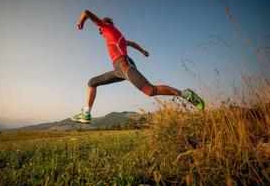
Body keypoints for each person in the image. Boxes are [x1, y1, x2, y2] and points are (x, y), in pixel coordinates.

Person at [71, 10, 204, 124]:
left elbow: (86, 12)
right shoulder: (118, 36)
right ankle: (86, 114)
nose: (99, 31)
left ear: (105, 23)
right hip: (119, 69)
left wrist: (81, 21)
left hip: (123, 65)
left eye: (100, 28)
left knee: (150, 91)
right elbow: (132, 43)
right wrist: (143, 51)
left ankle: (187, 94)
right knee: (92, 82)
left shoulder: (107, 27)